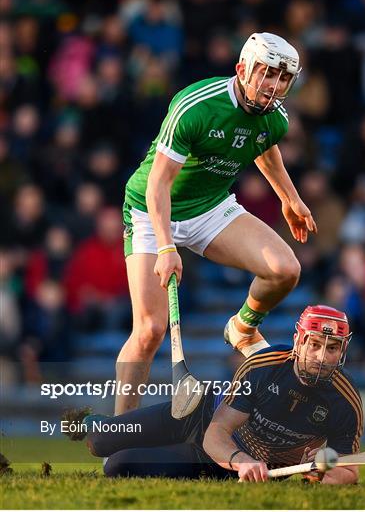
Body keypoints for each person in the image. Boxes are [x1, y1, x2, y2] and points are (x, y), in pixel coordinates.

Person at [117, 32, 317, 414]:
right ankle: (117, 433)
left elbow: (263, 146)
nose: (274, 86)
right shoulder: (196, 107)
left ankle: (241, 328)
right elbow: (159, 184)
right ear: (242, 69)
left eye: (283, 78)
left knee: (285, 270)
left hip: (210, 208)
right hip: (151, 209)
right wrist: (165, 246)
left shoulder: (275, 118)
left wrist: (290, 198)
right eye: (266, 74)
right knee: (149, 331)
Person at [81, 306, 362, 484]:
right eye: (314, 345)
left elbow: (349, 472)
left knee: (119, 466)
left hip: (219, 461)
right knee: (98, 440)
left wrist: (317, 471)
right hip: (199, 418)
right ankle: (98, 424)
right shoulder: (263, 366)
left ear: (343, 351)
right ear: (298, 341)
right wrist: (243, 460)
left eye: (332, 348)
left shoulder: (345, 401)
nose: (322, 357)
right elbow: (217, 433)